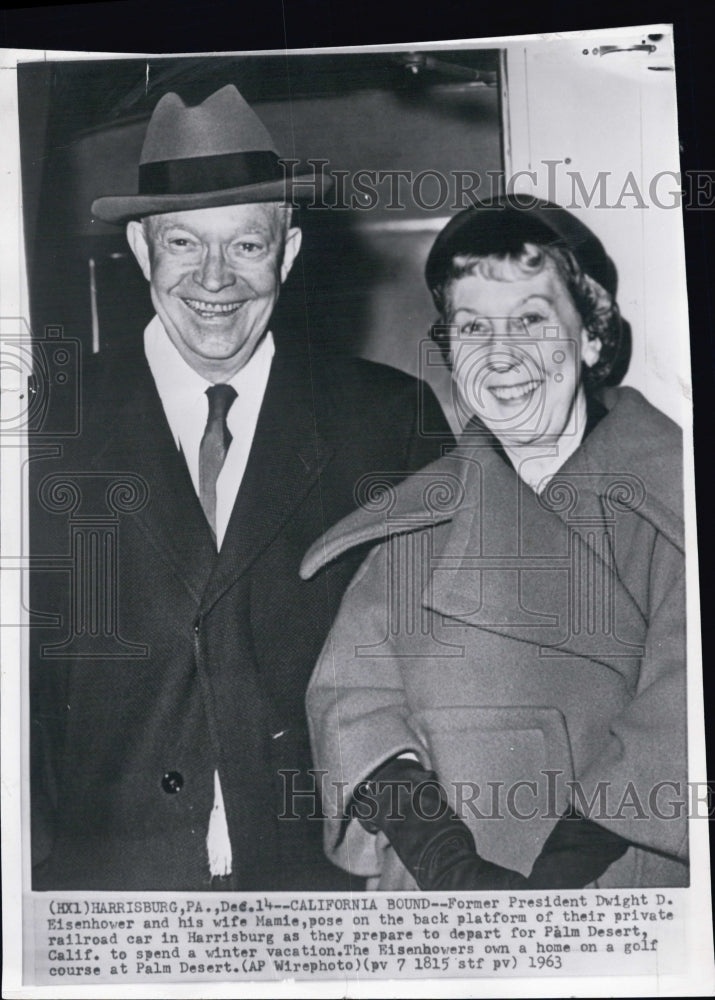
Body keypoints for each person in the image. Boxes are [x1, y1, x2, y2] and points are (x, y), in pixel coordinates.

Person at [29, 84, 452, 891]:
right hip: (104, 893)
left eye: (247, 246)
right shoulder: (43, 425)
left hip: (322, 891)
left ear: (288, 252)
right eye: (184, 243)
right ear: (141, 247)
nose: (215, 280)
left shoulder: (389, 419)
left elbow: (438, 666)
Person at [302, 196, 688, 891]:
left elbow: (678, 711)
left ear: (591, 337)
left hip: (609, 894)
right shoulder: (413, 521)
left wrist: (552, 881)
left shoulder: (672, 501)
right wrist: (445, 862)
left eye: (531, 320)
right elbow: (351, 701)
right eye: (473, 327)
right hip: (436, 902)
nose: (501, 355)